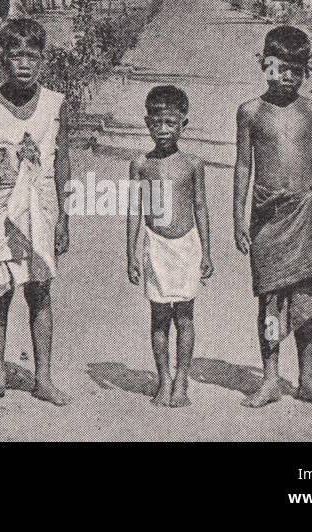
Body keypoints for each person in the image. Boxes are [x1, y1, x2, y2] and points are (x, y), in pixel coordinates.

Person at [233, 24, 312, 408]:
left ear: (306, 70)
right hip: (266, 216)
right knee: (270, 301)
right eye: (279, 68)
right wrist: (237, 218)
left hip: (304, 213)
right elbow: (243, 166)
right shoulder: (250, 112)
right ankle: (270, 378)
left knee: (306, 300)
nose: (287, 78)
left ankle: (307, 378)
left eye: (297, 70)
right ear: (264, 65)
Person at [0, 17, 71, 406]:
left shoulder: (55, 104)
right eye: (16, 56)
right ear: (2, 59)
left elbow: (62, 162)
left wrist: (64, 217)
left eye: (32, 56)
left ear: (43, 60)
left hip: (40, 209)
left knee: (40, 290)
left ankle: (42, 378)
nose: (24, 64)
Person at [126, 85, 212, 407]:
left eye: (171, 124)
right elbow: (135, 210)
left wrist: (206, 250)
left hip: (187, 246)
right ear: (148, 123)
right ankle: (163, 378)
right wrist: (132, 253)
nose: (163, 131)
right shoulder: (141, 165)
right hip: (155, 246)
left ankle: (181, 381)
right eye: (157, 123)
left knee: (185, 317)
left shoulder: (192, 164)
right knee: (159, 316)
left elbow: (201, 208)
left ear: (183, 125)